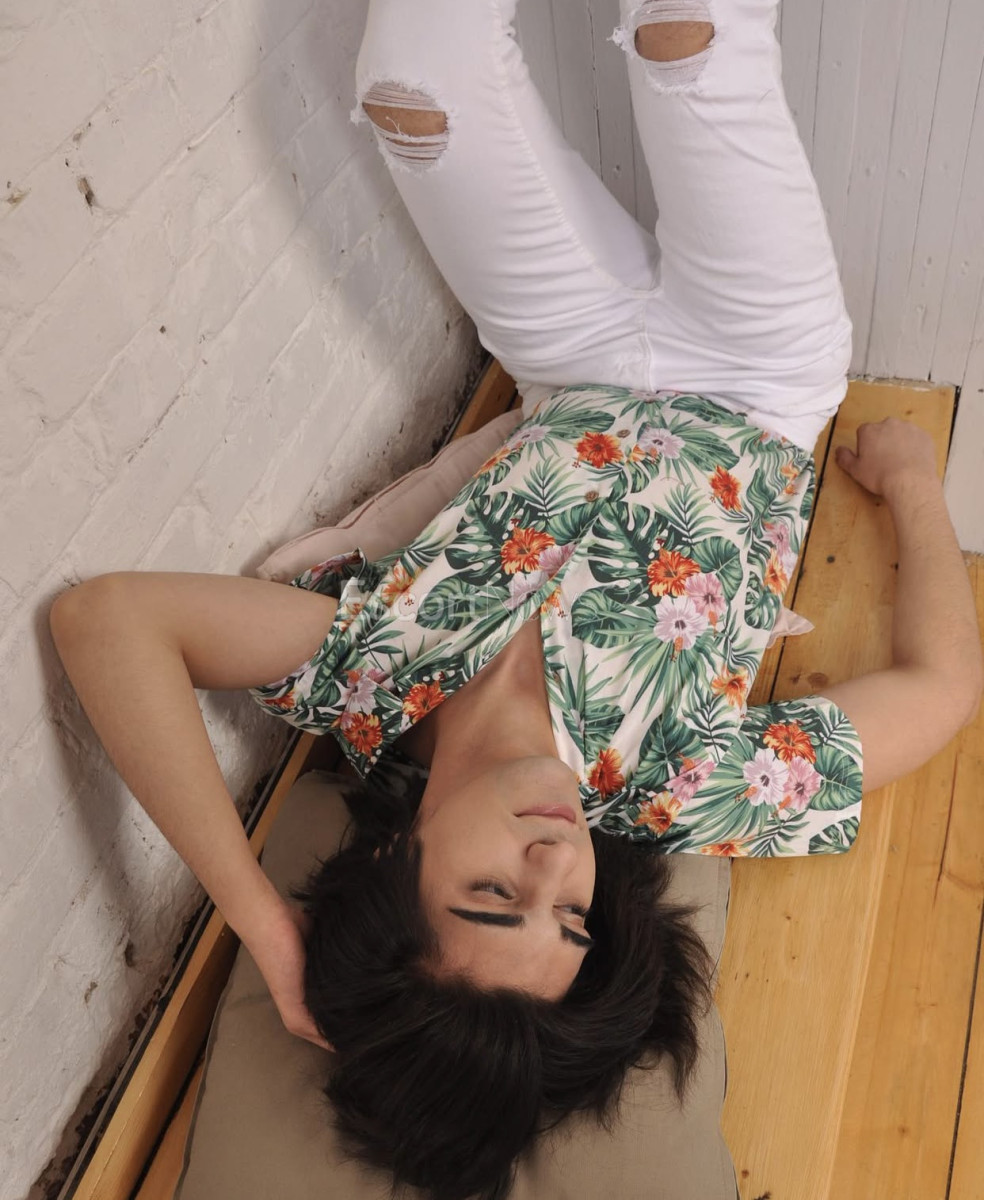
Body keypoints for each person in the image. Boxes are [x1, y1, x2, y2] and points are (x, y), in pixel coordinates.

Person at [50, 2, 982, 1199]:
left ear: (396, 859)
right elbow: (941, 689)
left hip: (567, 362)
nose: (556, 867)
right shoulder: (682, 783)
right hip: (759, 372)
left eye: (495, 897)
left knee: (410, 85)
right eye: (575, 922)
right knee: (689, 34)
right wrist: (913, 487)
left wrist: (265, 925)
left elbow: (106, 621)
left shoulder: (368, 678)